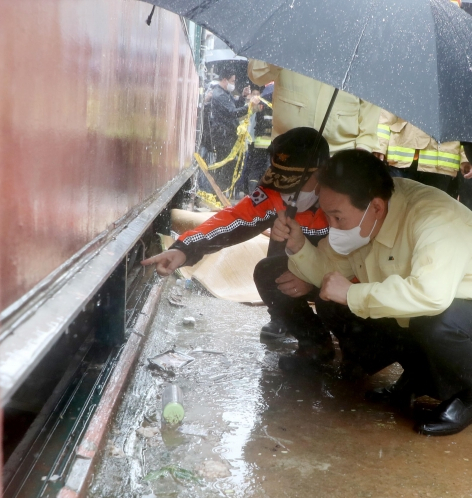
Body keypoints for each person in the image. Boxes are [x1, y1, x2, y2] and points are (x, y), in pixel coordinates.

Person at [272, 150, 472, 435]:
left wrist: (354, 295)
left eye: (337, 217)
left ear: (376, 208)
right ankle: (416, 378)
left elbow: (431, 296)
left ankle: (465, 397)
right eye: (326, 214)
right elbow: (330, 277)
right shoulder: (364, 213)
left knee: (431, 320)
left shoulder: (434, 219)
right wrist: (297, 246)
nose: (331, 225)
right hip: (430, 307)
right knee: (346, 301)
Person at [141, 128, 331, 367]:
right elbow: (232, 220)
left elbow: (357, 266)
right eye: (281, 182)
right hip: (295, 277)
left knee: (343, 310)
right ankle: (313, 343)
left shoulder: (341, 201)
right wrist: (183, 249)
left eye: (296, 185)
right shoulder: (273, 193)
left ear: (322, 174)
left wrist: (314, 280)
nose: (286, 194)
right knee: (268, 272)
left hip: (338, 284)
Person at [248, 59, 380, 154]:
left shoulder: (362, 47)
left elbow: (370, 106)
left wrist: (362, 152)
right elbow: (256, 75)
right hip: (288, 151)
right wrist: (282, 49)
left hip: (340, 157)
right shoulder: (290, 26)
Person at [375, 110, 472, 196]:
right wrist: (379, 146)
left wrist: (467, 157)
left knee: (431, 214)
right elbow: (385, 115)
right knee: (398, 212)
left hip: (439, 164)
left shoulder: (457, 88)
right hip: (402, 159)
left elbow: (465, 121)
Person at [208, 68, 259, 191]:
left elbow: (233, 106)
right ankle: (219, 192)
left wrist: (242, 97)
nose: (233, 84)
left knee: (228, 166)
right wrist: (249, 105)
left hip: (227, 135)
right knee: (225, 167)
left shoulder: (225, 93)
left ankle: (222, 192)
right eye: (232, 81)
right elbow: (232, 112)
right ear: (225, 80)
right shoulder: (219, 94)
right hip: (223, 137)